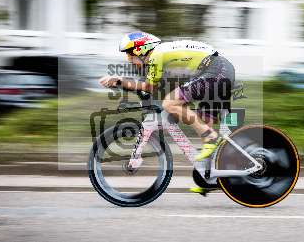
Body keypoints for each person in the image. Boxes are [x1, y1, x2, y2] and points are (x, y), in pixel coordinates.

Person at [99, 32, 235, 195]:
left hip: (216, 70)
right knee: (200, 120)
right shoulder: (163, 57)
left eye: (131, 57)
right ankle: (211, 176)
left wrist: (120, 81)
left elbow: (149, 87)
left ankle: (211, 137)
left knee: (170, 103)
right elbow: (157, 87)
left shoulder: (156, 55)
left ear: (141, 49)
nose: (131, 62)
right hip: (218, 70)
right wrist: (125, 86)